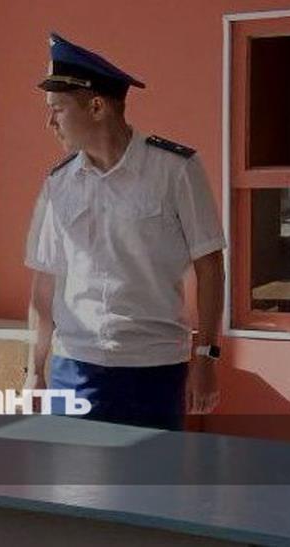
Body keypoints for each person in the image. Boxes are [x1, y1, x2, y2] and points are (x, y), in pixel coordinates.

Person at [23, 32, 226, 431]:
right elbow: (44, 284)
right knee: (71, 472)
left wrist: (206, 358)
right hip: (74, 366)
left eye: (58, 110)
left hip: (153, 368)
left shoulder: (175, 170)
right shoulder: (58, 183)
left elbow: (210, 267)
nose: (50, 123)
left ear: (96, 106)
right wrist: (34, 371)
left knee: (152, 470)